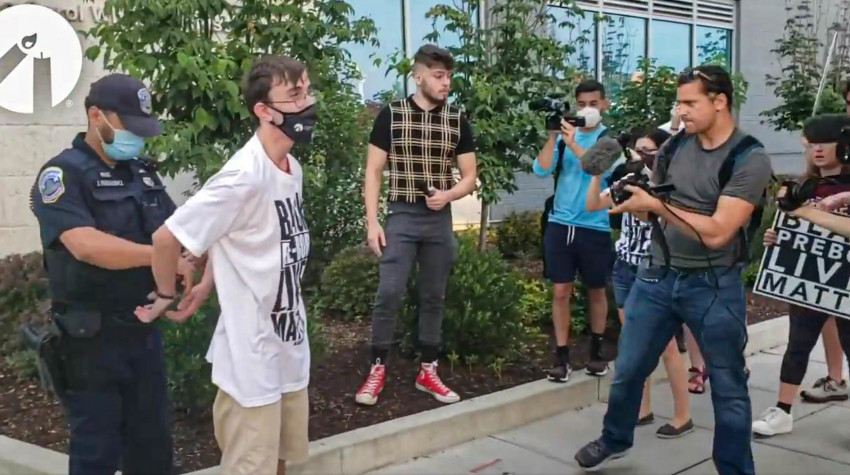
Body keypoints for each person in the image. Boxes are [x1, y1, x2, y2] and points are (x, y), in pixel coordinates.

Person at [574, 65, 773, 475]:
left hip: (714, 284)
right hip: (658, 275)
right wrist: (637, 202)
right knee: (628, 369)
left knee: (729, 385)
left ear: (720, 102)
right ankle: (615, 439)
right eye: (679, 102)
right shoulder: (675, 147)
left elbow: (718, 232)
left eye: (690, 102)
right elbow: (659, 207)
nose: (680, 111)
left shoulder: (748, 158)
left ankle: (736, 469)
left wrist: (655, 207)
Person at [135, 55, 316, 475]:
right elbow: (166, 238)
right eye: (294, 95)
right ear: (264, 111)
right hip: (251, 361)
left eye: (307, 91)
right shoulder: (243, 176)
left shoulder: (292, 169)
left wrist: (208, 282)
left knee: (281, 462)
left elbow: (238, 234)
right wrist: (166, 293)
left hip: (288, 348)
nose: (307, 103)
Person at [29, 73, 194, 475]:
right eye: (128, 128)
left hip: (142, 331)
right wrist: (161, 258)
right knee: (96, 453)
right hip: (91, 341)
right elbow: (86, 245)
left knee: (153, 449)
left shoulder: (141, 172)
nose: (136, 139)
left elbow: (179, 230)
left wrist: (186, 263)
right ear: (95, 116)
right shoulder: (62, 175)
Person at [355, 44, 478, 407]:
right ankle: (377, 367)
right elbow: (373, 172)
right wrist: (372, 222)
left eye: (449, 77)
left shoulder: (457, 119)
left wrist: (450, 194)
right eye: (439, 76)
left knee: (433, 296)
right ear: (418, 75)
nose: (446, 84)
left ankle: (428, 370)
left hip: (438, 217)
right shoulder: (390, 115)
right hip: (402, 215)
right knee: (389, 292)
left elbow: (470, 176)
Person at [585, 127, 695, 439]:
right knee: (633, 342)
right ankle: (642, 408)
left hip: (656, 268)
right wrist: (597, 174)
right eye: (639, 149)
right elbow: (593, 205)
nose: (643, 155)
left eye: (650, 150)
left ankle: (682, 415)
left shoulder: (671, 186)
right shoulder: (629, 179)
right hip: (625, 267)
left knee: (667, 346)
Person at [751, 114, 850, 437]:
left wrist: (803, 211)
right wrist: (778, 240)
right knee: (798, 345)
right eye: (812, 143)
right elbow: (793, 229)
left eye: (825, 142)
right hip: (809, 282)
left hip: (845, 284)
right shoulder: (804, 186)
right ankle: (782, 411)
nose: (818, 150)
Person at [534, 79, 616, 382]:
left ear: (604, 105)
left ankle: (596, 350)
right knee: (560, 291)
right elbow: (541, 168)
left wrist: (572, 142)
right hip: (560, 223)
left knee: (596, 289)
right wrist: (553, 136)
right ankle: (561, 355)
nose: (586, 110)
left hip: (594, 225)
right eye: (581, 104)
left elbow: (598, 168)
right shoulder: (563, 137)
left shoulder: (609, 140)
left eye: (593, 104)